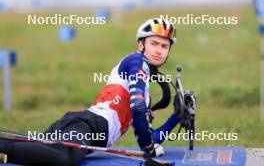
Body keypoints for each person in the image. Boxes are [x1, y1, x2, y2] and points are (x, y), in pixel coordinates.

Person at [0, 18, 195, 166]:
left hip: (85, 129)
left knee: (45, 156)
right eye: (154, 43)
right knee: (64, 159)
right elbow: (137, 110)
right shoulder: (136, 62)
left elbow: (147, 137)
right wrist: (148, 149)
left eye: (164, 46)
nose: (159, 50)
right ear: (141, 45)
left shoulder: (145, 90)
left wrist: (175, 118)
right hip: (88, 125)